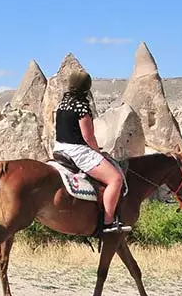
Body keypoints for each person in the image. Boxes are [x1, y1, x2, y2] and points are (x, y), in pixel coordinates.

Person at [53, 71, 130, 234]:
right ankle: (108, 223)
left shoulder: (62, 104)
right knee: (115, 179)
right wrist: (99, 153)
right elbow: (88, 136)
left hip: (59, 147)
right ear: (86, 87)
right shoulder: (81, 105)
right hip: (78, 151)